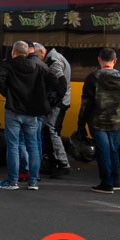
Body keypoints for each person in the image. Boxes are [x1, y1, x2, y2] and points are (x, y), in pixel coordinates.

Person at [0, 40, 64, 191]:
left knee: (13, 145)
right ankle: (33, 181)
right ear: (27, 52)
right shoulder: (39, 66)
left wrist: (9, 94)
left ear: (13, 51)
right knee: (33, 146)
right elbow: (55, 81)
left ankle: (13, 181)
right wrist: (45, 98)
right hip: (32, 113)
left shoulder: (9, 65)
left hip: (13, 110)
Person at [78, 48, 120, 194]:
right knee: (113, 150)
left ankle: (106, 183)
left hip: (97, 121)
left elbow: (86, 104)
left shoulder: (93, 78)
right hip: (116, 120)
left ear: (99, 60)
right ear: (115, 61)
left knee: (103, 151)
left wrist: (81, 124)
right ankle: (115, 180)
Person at [32, 42, 73, 176]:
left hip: (59, 103)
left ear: (42, 53)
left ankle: (62, 163)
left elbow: (61, 83)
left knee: (51, 129)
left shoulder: (54, 61)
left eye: (36, 56)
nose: (36, 59)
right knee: (49, 129)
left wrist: (55, 101)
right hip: (61, 101)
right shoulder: (55, 56)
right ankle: (51, 160)